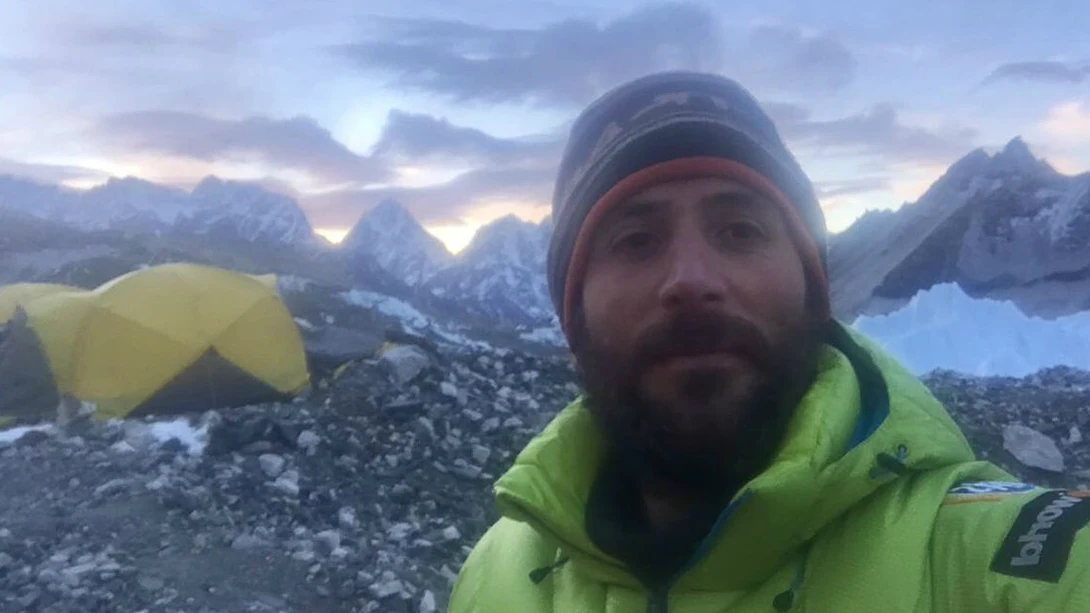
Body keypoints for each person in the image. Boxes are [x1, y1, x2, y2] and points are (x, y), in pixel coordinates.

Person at [447, 71, 1090, 612]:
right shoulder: (494, 577)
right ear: (573, 320)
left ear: (814, 290)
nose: (692, 280)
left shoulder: (1000, 562)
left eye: (740, 230)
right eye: (635, 241)